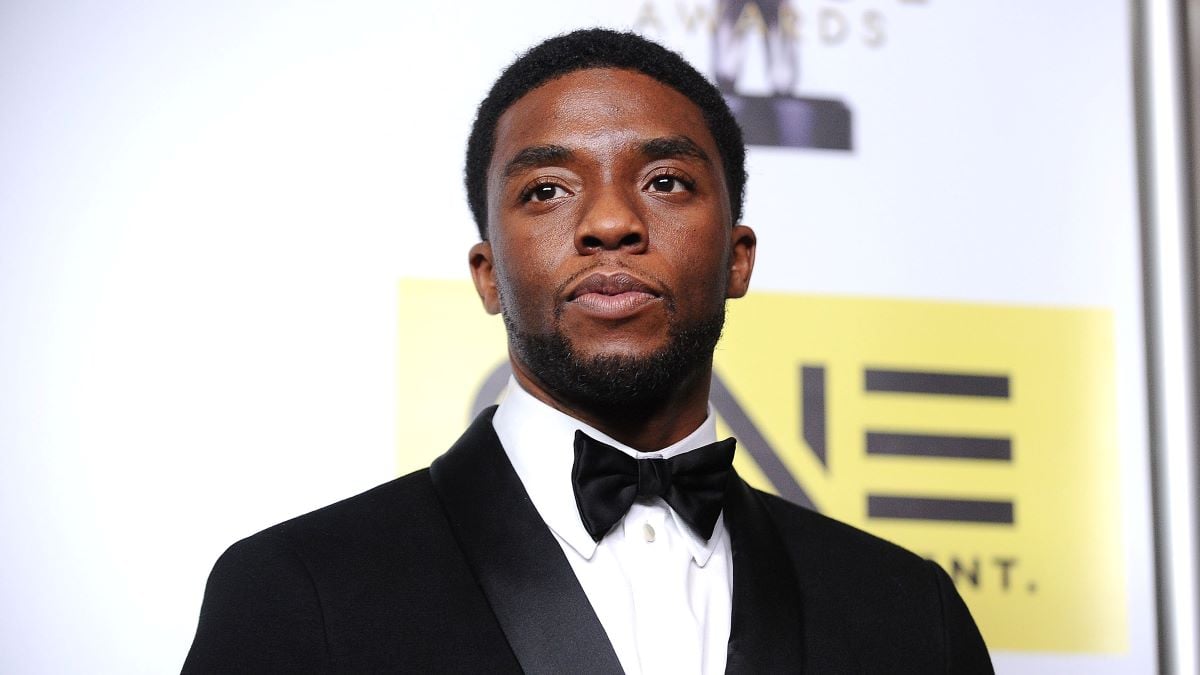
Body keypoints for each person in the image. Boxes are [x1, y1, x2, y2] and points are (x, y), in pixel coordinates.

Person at [183, 28, 993, 674]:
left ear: (738, 256)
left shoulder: (907, 611)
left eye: (666, 181)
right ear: (488, 272)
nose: (610, 222)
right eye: (546, 190)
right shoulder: (299, 590)